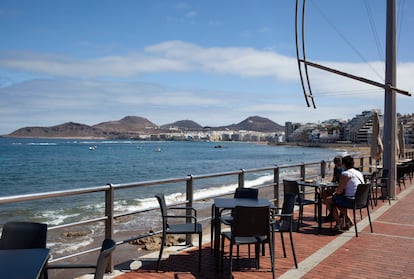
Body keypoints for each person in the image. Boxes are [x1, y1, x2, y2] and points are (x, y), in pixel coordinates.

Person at [325, 155, 364, 232]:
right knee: (337, 200)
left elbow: (339, 191)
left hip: (351, 201)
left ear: (344, 164)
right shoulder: (358, 173)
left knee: (328, 200)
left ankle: (338, 223)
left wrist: (334, 193)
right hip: (361, 200)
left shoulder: (346, 174)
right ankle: (348, 221)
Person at [322, 156, 343, 221]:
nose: (337, 165)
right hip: (336, 187)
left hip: (341, 188)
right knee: (324, 194)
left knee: (329, 198)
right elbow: (334, 179)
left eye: (338, 164)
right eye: (336, 164)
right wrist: (329, 184)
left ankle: (340, 214)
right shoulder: (336, 168)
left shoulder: (345, 170)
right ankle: (332, 213)